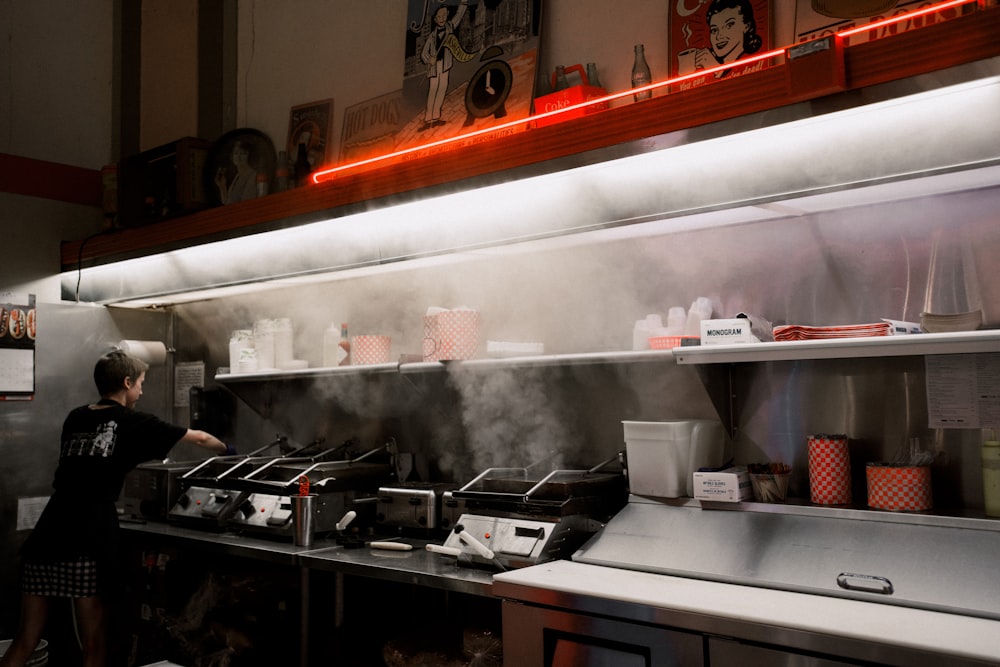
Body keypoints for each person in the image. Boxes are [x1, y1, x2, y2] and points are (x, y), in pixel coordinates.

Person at [0, 351, 234, 667]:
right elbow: (202, 438)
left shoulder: (75, 417)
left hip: (47, 534)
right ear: (126, 383)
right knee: (94, 643)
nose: (142, 391)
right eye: (140, 384)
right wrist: (230, 453)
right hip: (87, 537)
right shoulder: (134, 422)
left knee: (25, 640)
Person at [419, 0, 469, 130]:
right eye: (439, 17)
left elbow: (458, 16)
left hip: (445, 65)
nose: (442, 19)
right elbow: (424, 53)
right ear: (435, 19)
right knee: (432, 90)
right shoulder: (431, 36)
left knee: (442, 88)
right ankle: (428, 119)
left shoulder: (450, 28)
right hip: (434, 67)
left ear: (447, 15)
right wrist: (429, 59)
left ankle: (436, 117)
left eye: (444, 16)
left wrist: (463, 3)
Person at [692, 0, 763, 76]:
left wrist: (716, 70)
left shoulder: (752, 62)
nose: (719, 36)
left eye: (729, 25)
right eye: (714, 30)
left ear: (746, 26)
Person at [214, 139, 258, 204]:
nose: (238, 156)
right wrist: (222, 186)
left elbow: (246, 202)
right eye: (236, 153)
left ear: (249, 156)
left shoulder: (253, 175)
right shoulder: (237, 176)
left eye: (243, 153)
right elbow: (227, 203)